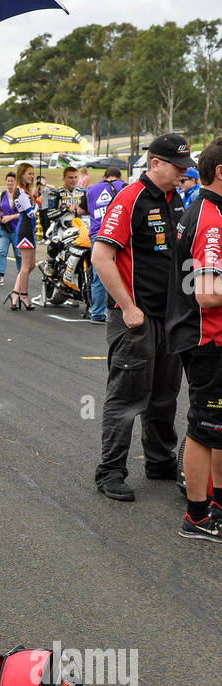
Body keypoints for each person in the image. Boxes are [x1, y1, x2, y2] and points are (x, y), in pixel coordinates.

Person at [91, 132, 191, 500]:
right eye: (177, 167)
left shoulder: (174, 197)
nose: (183, 173)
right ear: (155, 164)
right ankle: (110, 471)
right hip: (134, 317)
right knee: (128, 396)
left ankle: (159, 460)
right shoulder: (130, 198)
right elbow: (101, 257)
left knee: (166, 394)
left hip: (169, 316)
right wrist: (128, 307)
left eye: (186, 167)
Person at [165, 139, 222, 539]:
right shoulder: (211, 217)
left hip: (200, 334)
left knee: (217, 425)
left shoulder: (201, 207)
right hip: (207, 337)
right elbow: (207, 292)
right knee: (206, 427)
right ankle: (198, 516)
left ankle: (216, 503)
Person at [85, 168, 124, 322]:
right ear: (119, 177)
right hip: (117, 234)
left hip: (97, 233)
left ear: (104, 177)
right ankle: (119, 308)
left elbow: (82, 210)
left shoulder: (92, 189)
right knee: (120, 271)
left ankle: (97, 313)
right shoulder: (124, 186)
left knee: (99, 274)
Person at [3, 162, 38, 310]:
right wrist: (38, 203)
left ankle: (17, 293)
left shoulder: (24, 191)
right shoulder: (20, 192)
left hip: (29, 230)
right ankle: (21, 294)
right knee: (25, 266)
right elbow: (31, 213)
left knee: (31, 265)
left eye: (32, 173)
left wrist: (36, 195)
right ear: (22, 174)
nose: (32, 176)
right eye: (29, 173)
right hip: (25, 230)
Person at [0, 170, 21, 286]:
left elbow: (24, 213)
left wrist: (10, 217)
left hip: (16, 229)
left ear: (16, 182)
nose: (10, 183)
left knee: (19, 254)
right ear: (5, 182)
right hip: (3, 229)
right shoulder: (2, 195)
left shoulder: (20, 195)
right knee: (1, 252)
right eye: (8, 181)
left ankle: (21, 275)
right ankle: (0, 276)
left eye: (12, 181)